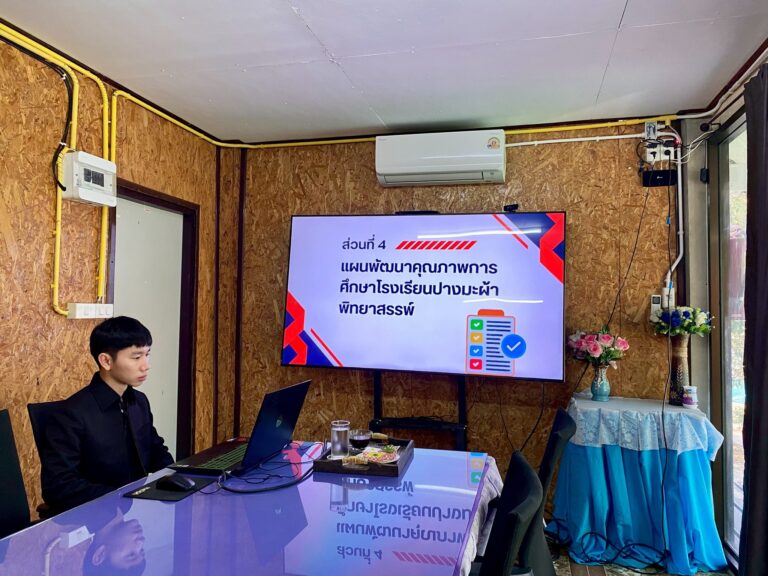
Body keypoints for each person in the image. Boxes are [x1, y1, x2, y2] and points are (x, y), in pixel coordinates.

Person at [41, 316, 173, 511]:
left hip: (138, 506)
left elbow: (155, 449)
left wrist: (177, 476)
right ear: (106, 361)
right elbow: (59, 486)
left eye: (147, 354)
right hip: (99, 515)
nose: (146, 365)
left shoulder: (139, 401)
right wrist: (118, 498)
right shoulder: (71, 414)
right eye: (136, 357)